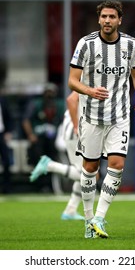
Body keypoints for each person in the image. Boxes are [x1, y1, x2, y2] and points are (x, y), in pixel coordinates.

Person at [68, 0, 135, 239]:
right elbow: (72, 80)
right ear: (99, 19)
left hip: (119, 116)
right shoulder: (86, 44)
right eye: (104, 17)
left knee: (117, 164)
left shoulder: (131, 45)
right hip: (91, 116)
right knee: (90, 168)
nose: (107, 21)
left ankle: (100, 217)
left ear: (119, 20)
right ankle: (89, 219)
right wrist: (89, 91)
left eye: (112, 17)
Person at [29, 91, 84, 220]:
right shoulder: (91, 79)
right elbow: (71, 99)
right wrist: (76, 126)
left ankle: (70, 210)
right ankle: (50, 165)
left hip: (77, 129)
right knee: (88, 174)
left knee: (88, 174)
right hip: (76, 131)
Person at [22, 83, 64, 191]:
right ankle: (39, 185)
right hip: (38, 138)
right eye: (48, 92)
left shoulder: (59, 104)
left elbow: (64, 120)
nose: (50, 94)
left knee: (53, 159)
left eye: (52, 92)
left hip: (53, 139)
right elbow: (26, 120)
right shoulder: (36, 104)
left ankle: (50, 185)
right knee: (38, 158)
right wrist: (30, 135)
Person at [0, 94, 13, 194]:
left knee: (6, 161)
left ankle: (6, 188)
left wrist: (8, 132)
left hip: (1, 134)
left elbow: (8, 116)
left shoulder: (3, 100)